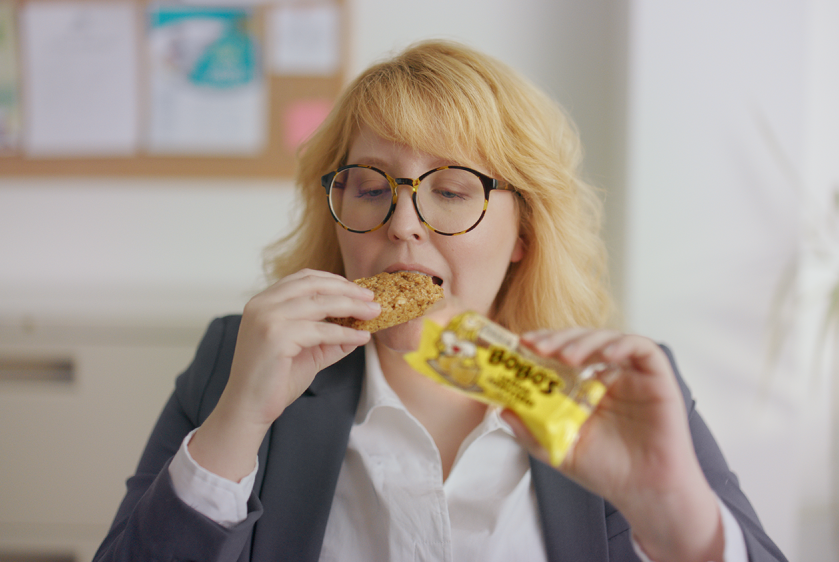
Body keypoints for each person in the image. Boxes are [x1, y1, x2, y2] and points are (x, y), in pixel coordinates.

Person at [94, 40, 787, 562]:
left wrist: (676, 518)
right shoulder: (235, 360)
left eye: (452, 191)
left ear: (524, 234)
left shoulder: (615, 393)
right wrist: (237, 423)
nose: (402, 224)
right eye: (370, 188)